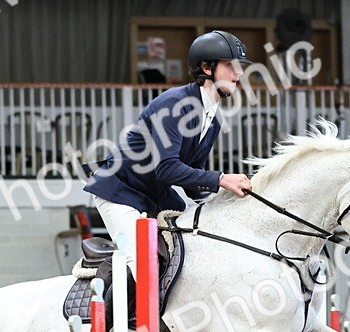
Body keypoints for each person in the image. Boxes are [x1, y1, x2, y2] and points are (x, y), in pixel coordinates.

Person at [84, 30, 255, 312]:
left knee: (199, 243)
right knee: (140, 262)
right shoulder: (176, 103)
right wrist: (222, 179)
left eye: (239, 67)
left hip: (155, 196)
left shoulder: (211, 120)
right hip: (120, 190)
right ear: (207, 68)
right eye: (230, 66)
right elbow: (167, 169)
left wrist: (227, 200)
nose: (237, 74)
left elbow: (191, 180)